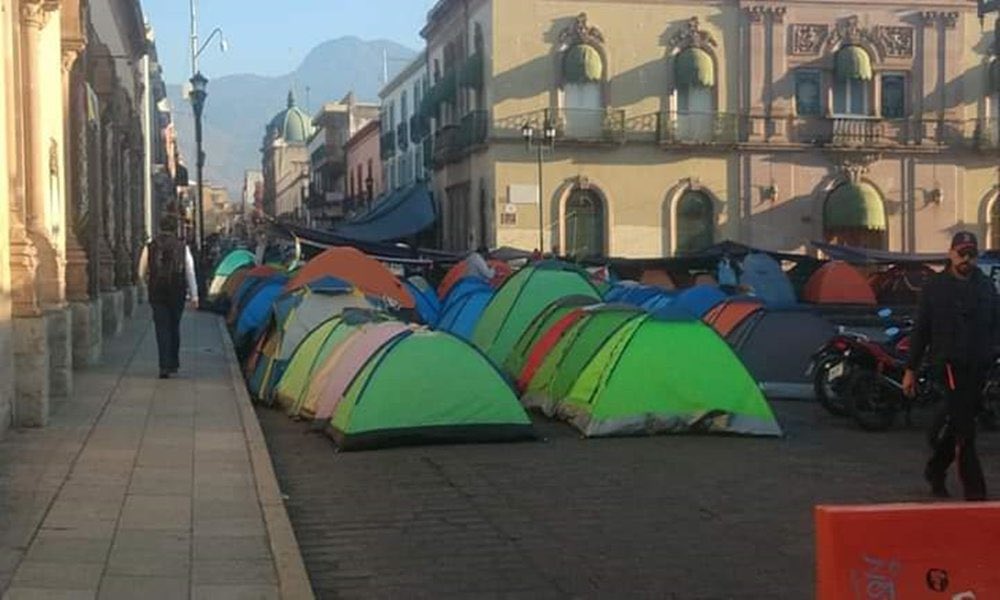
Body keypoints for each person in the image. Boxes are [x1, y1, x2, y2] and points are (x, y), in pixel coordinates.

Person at [903, 231, 997, 501]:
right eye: (961, 253)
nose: (966, 258)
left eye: (971, 254)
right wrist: (911, 369)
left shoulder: (985, 287)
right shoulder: (935, 287)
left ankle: (935, 469)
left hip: (978, 365)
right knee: (966, 428)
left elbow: (996, 323)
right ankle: (976, 492)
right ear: (950, 253)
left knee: (960, 423)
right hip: (948, 364)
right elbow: (921, 329)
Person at [139, 215, 199, 379]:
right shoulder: (182, 247)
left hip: (157, 292)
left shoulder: (150, 246)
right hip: (177, 291)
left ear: (160, 227)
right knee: (174, 326)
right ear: (174, 229)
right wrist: (194, 295)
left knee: (161, 328)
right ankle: (173, 362)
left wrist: (146, 283)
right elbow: (190, 271)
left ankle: (163, 365)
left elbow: (141, 271)